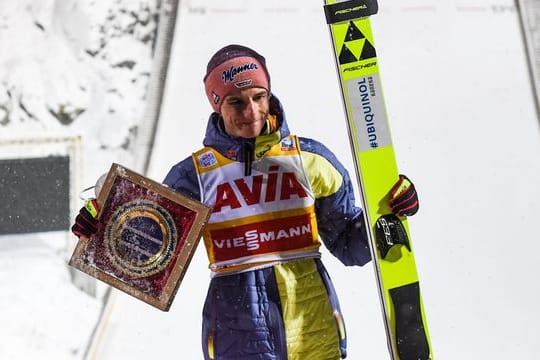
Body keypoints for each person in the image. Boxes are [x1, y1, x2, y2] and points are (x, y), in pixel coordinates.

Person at [72, 44, 419, 360]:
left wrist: (390, 211)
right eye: (236, 101)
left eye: (259, 97)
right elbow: (142, 255)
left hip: (315, 333)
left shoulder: (310, 159)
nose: (251, 111)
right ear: (216, 104)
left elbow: (352, 247)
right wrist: (100, 225)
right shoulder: (194, 175)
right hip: (237, 339)